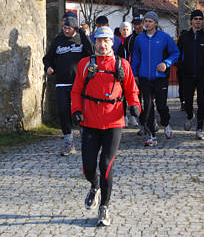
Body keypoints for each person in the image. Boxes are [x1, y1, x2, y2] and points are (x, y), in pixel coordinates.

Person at [71, 26, 141, 226]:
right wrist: (76, 110)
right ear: (95, 42)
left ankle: (104, 208)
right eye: (98, 41)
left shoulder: (122, 65)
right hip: (90, 122)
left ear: (112, 42)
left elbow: (131, 90)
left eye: (106, 41)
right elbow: (76, 91)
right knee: (88, 167)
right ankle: (94, 185)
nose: (102, 45)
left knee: (107, 164)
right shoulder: (85, 64)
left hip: (113, 122)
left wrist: (135, 106)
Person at [43, 15, 94, 156]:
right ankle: (68, 143)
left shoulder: (81, 40)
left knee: (81, 112)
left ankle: (87, 140)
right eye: (64, 28)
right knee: (63, 111)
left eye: (69, 28)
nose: (66, 30)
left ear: (75, 29)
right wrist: (48, 67)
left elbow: (91, 53)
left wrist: (84, 34)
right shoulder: (58, 41)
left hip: (79, 83)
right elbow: (47, 58)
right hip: (61, 83)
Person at [131, 11, 180, 147]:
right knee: (147, 106)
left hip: (160, 78)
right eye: (145, 21)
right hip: (144, 78)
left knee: (161, 105)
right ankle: (152, 135)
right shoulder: (139, 39)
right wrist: (134, 74)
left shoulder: (164, 37)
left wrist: (166, 63)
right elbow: (135, 58)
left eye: (150, 21)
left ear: (156, 23)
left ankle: (166, 124)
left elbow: (175, 53)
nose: (147, 24)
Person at [177, 9, 204, 140]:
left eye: (200, 19)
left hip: (202, 75)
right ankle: (190, 116)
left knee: (201, 102)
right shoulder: (184, 37)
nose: (198, 21)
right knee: (188, 102)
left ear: (202, 21)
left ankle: (200, 129)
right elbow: (177, 54)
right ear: (191, 21)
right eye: (195, 19)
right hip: (187, 75)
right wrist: (181, 66)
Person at [124, 15, 145, 129]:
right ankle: (141, 122)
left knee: (148, 99)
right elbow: (126, 57)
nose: (137, 26)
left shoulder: (148, 36)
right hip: (134, 73)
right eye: (135, 24)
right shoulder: (129, 39)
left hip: (147, 72)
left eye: (139, 24)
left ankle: (150, 120)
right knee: (138, 98)